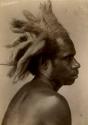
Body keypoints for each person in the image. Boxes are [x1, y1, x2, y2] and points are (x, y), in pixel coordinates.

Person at [2, 0, 80, 125]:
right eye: (68, 58)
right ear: (44, 64)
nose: (77, 64)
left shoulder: (23, 94)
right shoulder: (53, 102)